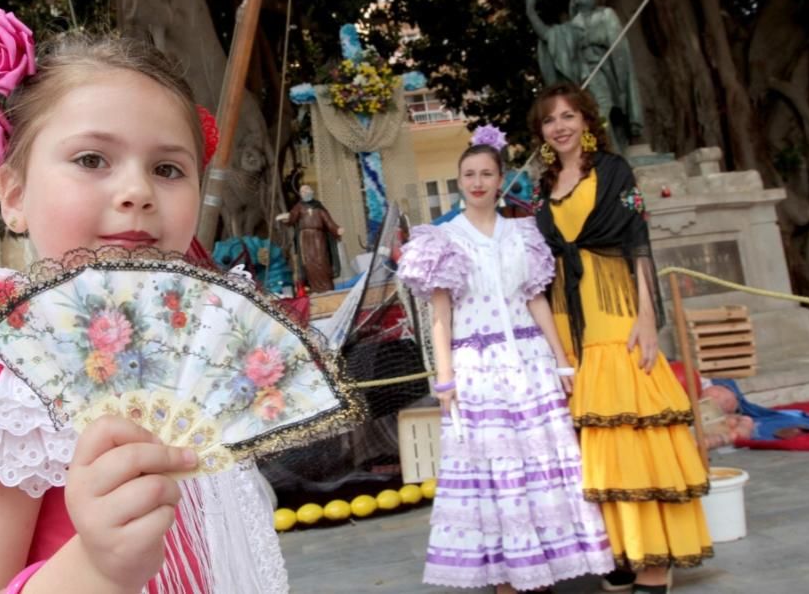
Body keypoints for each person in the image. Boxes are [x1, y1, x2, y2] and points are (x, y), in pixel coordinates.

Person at [0, 10, 288, 594]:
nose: (138, 192)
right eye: (92, 159)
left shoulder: (187, 358)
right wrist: (95, 567)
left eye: (168, 168)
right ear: (14, 194)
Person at [396, 142, 613, 593]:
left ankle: (547, 567)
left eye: (486, 174)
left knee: (540, 463)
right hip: (478, 368)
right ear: (461, 181)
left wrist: (560, 361)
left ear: (500, 181)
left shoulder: (524, 235)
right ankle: (507, 578)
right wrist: (445, 377)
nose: (477, 182)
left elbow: (536, 300)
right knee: (496, 470)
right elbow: (441, 316)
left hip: (530, 363)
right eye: (469, 174)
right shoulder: (442, 240)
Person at [529, 82, 712, 594]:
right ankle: (618, 550)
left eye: (569, 116)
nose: (560, 126)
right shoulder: (544, 186)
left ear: (586, 121)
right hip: (568, 319)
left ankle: (654, 554)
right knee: (590, 443)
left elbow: (638, 242)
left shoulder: (613, 171)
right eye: (550, 120)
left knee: (632, 429)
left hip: (615, 310)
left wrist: (647, 317)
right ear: (541, 132)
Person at [525, 0, 645, 153]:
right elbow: (548, 35)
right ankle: (610, 152)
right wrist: (531, 13)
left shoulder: (605, 15)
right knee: (597, 112)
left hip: (607, 70)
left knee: (606, 111)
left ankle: (614, 150)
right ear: (575, 0)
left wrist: (621, 76)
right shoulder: (572, 26)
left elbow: (619, 49)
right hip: (587, 75)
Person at [276, 184, 344, 293]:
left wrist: (336, 229)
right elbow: (292, 217)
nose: (305, 192)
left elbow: (328, 221)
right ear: (300, 194)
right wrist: (285, 218)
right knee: (309, 263)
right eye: (302, 191)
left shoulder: (319, 207)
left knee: (322, 261)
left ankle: (327, 288)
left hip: (318, 237)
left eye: (307, 190)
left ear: (312, 191)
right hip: (305, 240)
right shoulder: (299, 206)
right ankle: (315, 289)